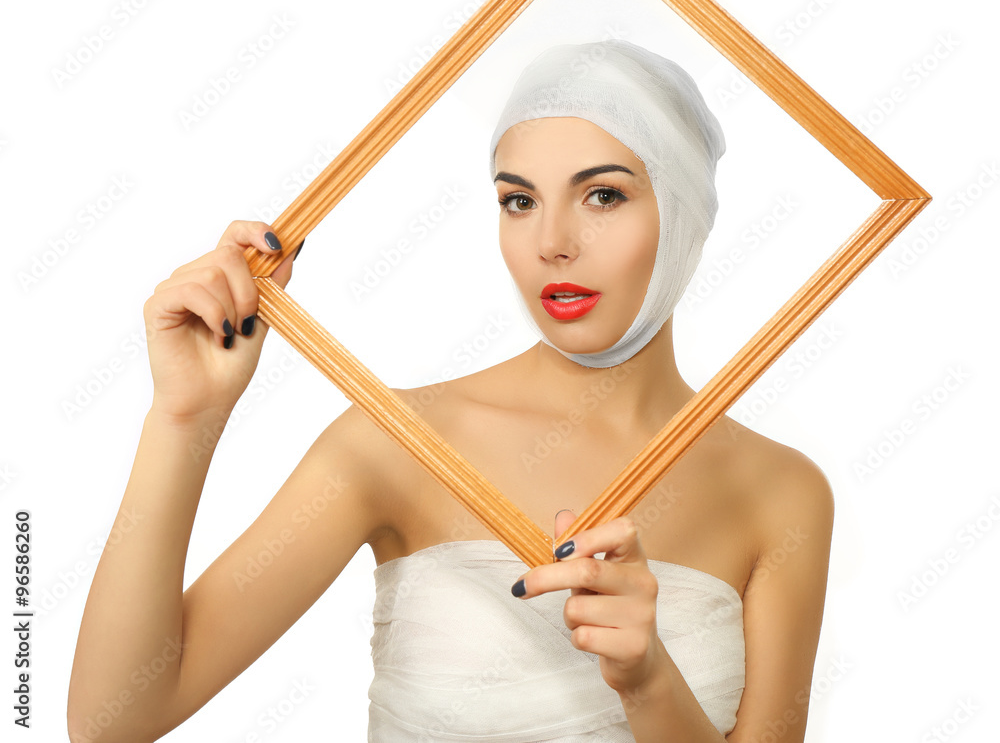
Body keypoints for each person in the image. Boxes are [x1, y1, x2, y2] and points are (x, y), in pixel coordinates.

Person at [67, 40, 834, 742]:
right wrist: (182, 417)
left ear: (686, 213)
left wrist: (649, 682)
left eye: (603, 195)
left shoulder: (783, 492)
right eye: (519, 200)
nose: (551, 242)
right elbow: (112, 721)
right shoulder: (394, 442)